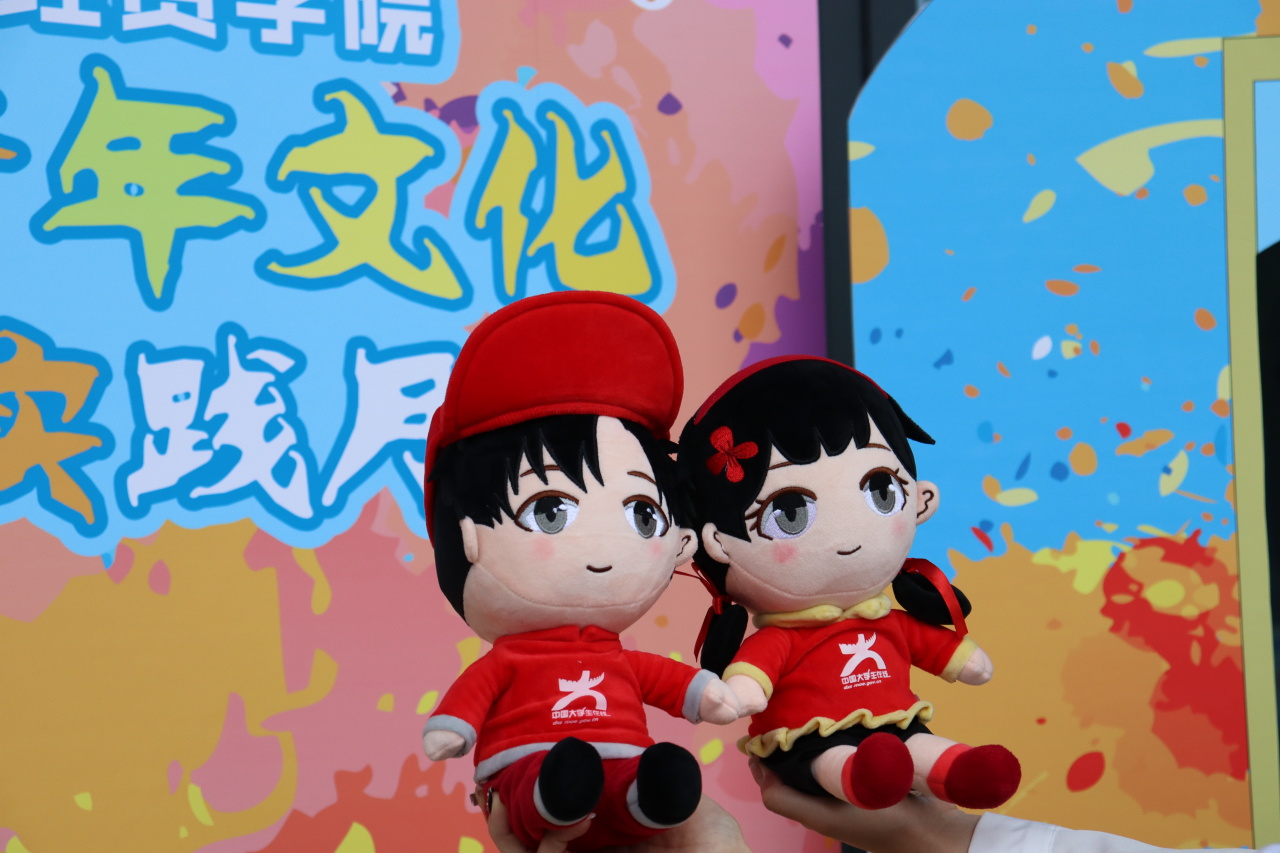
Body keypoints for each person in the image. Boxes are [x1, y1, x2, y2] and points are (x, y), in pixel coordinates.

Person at [420, 292, 740, 852]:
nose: (602, 549)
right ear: (468, 538)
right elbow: (474, 695)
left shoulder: (615, 657)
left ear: (678, 541)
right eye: (549, 511)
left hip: (623, 759)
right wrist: (454, 727)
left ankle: (648, 796)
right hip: (528, 761)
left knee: (646, 780)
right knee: (547, 782)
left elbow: (661, 680)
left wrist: (705, 693)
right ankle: (554, 793)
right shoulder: (510, 661)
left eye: (643, 514)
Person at [676, 356, 1019, 811]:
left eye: (881, 489)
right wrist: (742, 691)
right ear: (718, 543)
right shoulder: (783, 640)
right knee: (834, 760)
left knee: (916, 745)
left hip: (895, 722)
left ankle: (959, 770)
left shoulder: (889, 623)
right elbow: (751, 679)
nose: (848, 537)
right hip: (808, 734)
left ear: (920, 499)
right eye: (789, 512)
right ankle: (857, 777)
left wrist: (964, 660)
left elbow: (945, 652)